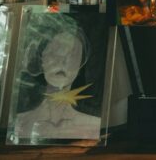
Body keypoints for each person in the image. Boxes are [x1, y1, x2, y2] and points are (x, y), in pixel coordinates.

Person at [13, 15, 102, 143]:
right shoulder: (19, 123)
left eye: (72, 54)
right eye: (55, 52)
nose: (63, 62)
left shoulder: (94, 126)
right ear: (41, 57)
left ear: (80, 63)